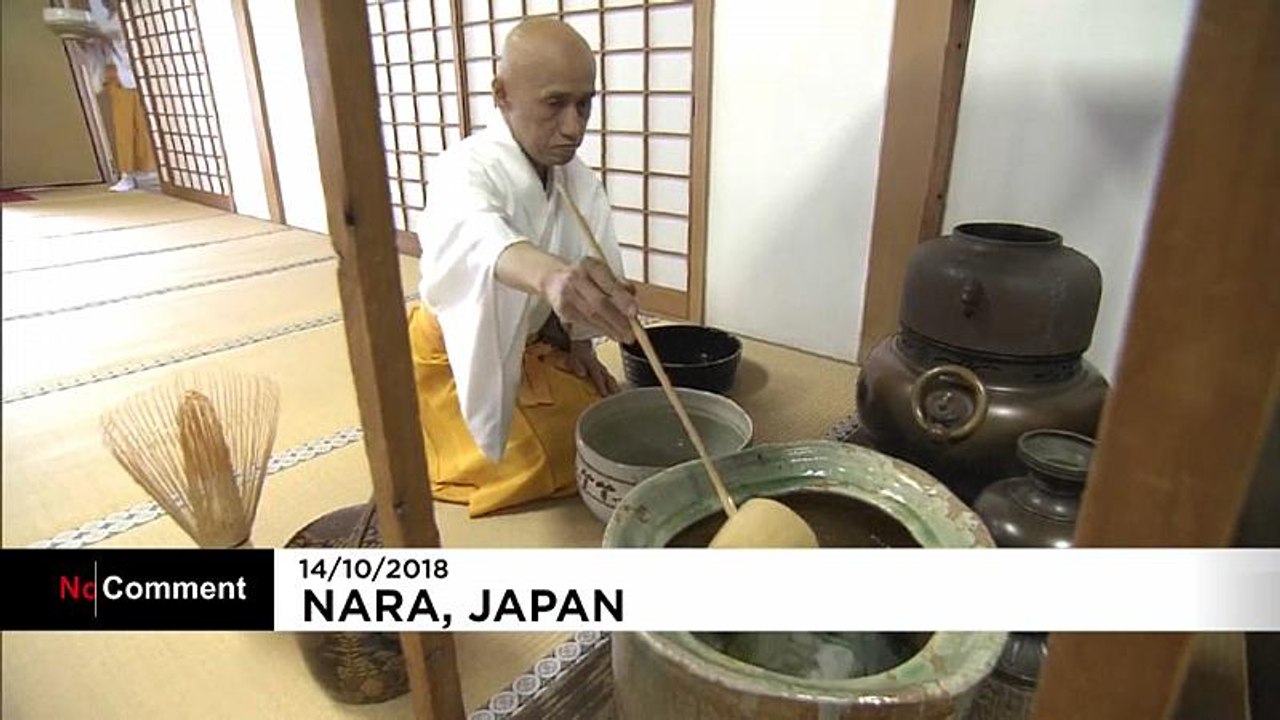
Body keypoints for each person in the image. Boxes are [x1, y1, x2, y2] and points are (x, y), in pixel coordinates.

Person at [409, 18, 639, 517]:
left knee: (605, 422)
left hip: (531, 343)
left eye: (585, 103)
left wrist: (581, 344)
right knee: (555, 453)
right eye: (555, 103)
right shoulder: (464, 167)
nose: (574, 126)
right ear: (503, 94)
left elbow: (594, 251)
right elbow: (477, 236)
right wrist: (552, 276)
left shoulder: (574, 176)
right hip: (457, 351)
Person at [86, 0, 158, 192]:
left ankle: (149, 170)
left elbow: (116, 32)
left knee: (146, 123)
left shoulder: (131, 14)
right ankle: (127, 173)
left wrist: (102, 33)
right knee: (124, 126)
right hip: (117, 73)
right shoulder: (103, 15)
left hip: (138, 70)